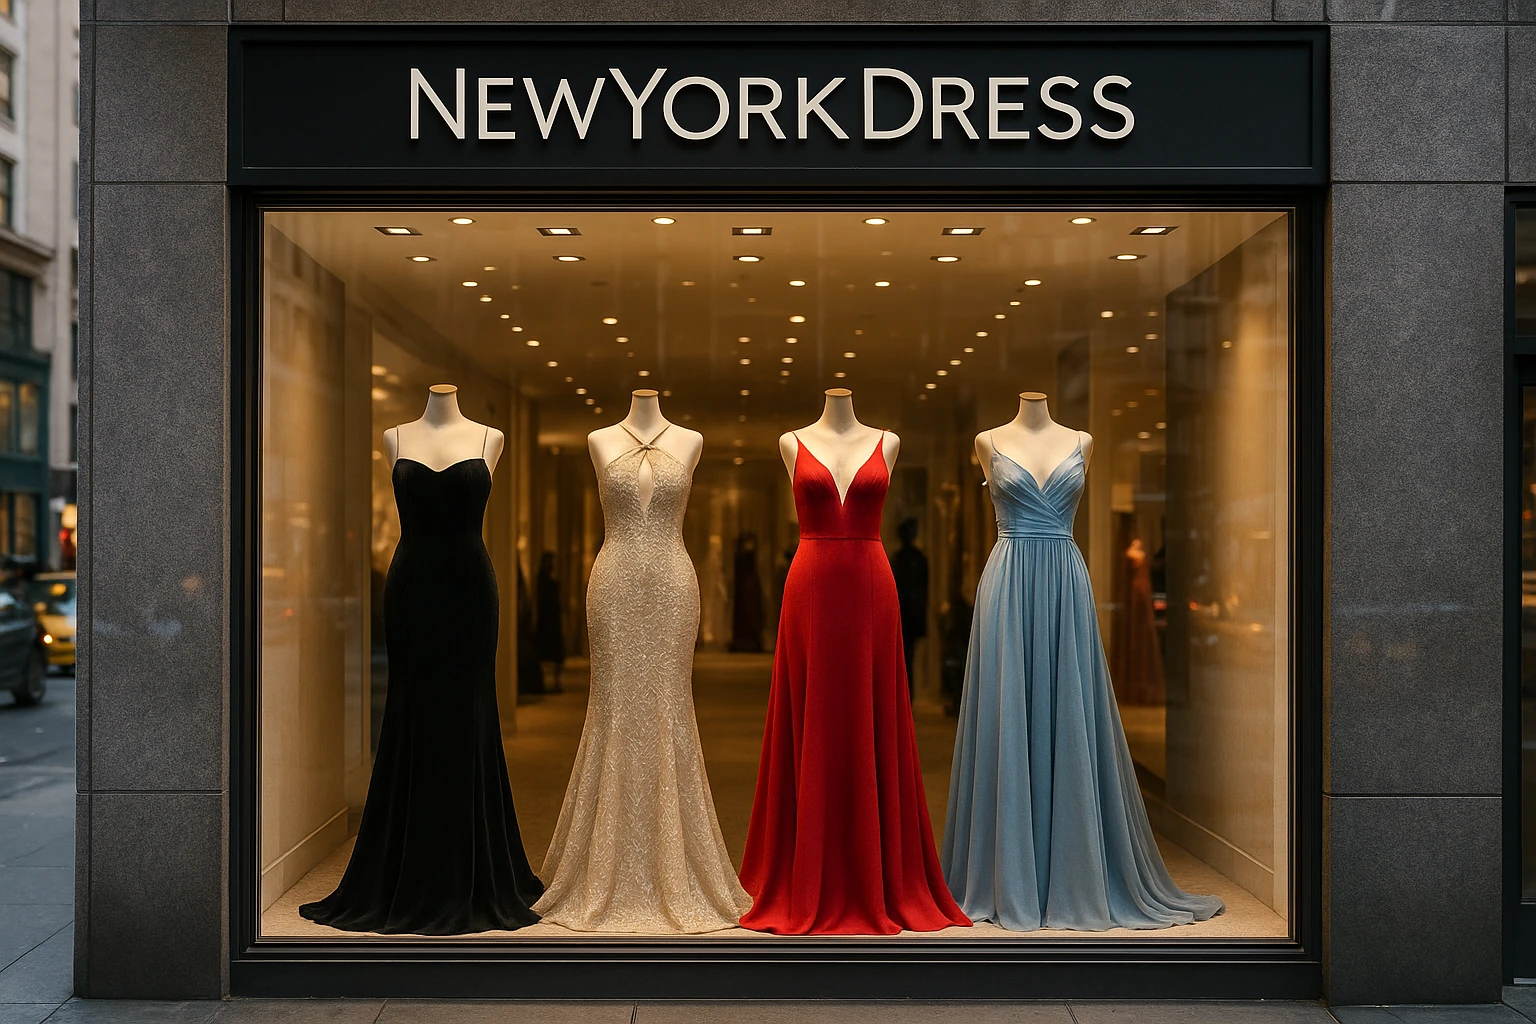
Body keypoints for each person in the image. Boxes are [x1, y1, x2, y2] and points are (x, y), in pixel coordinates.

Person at [890, 517, 929, 700]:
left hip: (907, 617)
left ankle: (906, 697)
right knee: (905, 660)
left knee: (906, 659)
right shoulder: (911, 560)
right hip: (906, 616)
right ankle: (905, 697)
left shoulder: (911, 560)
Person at [534, 551, 565, 694]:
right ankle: (546, 681)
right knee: (546, 652)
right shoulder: (543, 581)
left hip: (552, 619)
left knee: (555, 653)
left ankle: (555, 681)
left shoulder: (546, 581)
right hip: (547, 619)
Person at [729, 532, 765, 652]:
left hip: (750, 589)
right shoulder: (741, 558)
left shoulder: (749, 560)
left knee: (751, 614)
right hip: (745, 591)